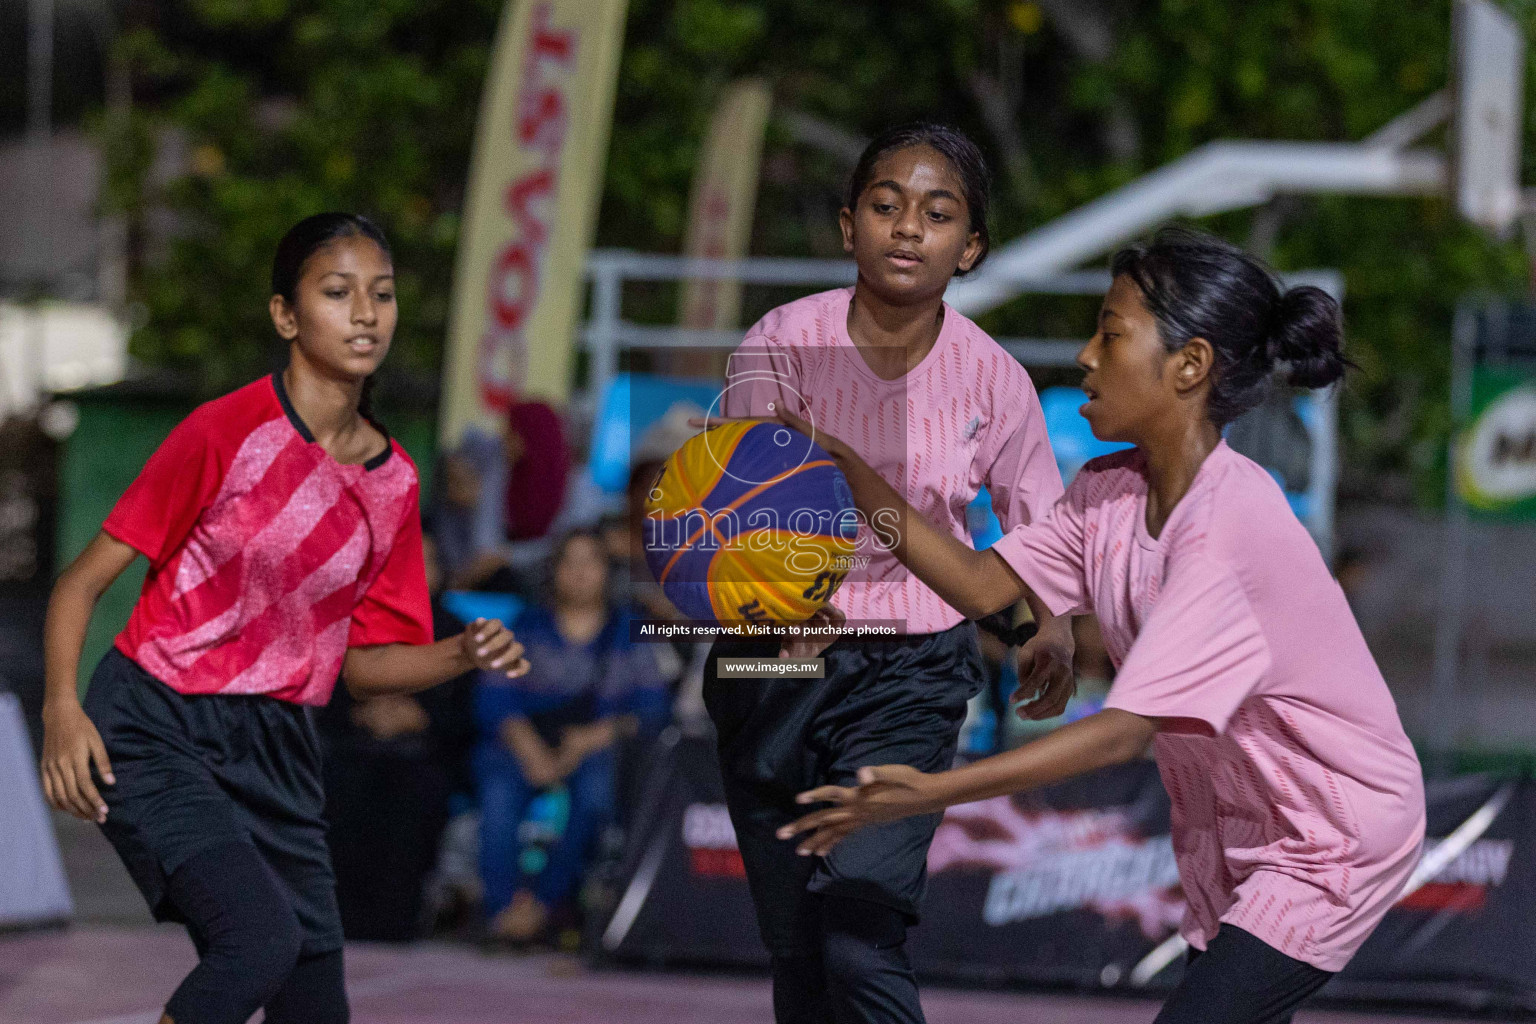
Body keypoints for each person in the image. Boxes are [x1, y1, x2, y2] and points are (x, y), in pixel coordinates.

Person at [778, 227, 1427, 1024]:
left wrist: (931, 793)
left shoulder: (1229, 525)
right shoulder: (1107, 491)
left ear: (1189, 365)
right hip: (1231, 822)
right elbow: (983, 584)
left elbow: (1122, 732)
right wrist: (847, 468)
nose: (1086, 355)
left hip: (1333, 830)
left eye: (1111, 335)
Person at [38, 212, 530, 1024]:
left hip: (280, 748)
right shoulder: (222, 432)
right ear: (286, 316)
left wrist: (462, 653)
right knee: (254, 946)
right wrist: (62, 710)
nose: (366, 314)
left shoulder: (395, 482)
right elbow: (78, 584)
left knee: (313, 1004)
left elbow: (362, 664)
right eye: (338, 293)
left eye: (382, 295)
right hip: (156, 723)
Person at [703, 123, 1074, 1024]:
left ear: (971, 247)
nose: (909, 228)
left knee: (859, 930)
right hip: (771, 664)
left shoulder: (995, 379)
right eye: (885, 205)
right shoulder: (780, 340)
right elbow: (748, 504)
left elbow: (1044, 536)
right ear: (847, 226)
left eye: (938, 213)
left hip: (912, 673)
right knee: (797, 955)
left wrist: (1049, 628)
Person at [474, 527, 669, 945]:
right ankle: (503, 911)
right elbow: (494, 698)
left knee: (597, 794)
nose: (580, 573)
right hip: (522, 747)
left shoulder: (627, 630)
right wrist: (532, 752)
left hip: (596, 750)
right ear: (553, 571)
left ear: (607, 572)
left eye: (591, 562)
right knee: (497, 795)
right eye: (569, 562)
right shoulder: (526, 625)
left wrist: (592, 738)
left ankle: (546, 907)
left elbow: (654, 708)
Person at [319, 533, 478, 942]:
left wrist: (418, 717)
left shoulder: (458, 634)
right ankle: (339, 919)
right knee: (339, 786)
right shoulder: (352, 623)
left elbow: (466, 713)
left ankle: (398, 921)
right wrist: (367, 711)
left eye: (428, 563)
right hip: (355, 747)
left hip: (425, 754)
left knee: (417, 792)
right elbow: (325, 696)